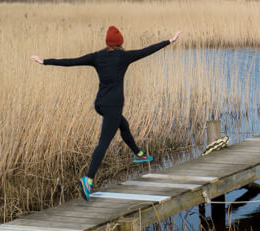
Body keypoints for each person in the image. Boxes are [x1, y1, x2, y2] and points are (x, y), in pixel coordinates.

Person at [30, 26, 181, 200]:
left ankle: (139, 154)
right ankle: (88, 179)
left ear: (107, 42)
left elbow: (71, 61)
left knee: (123, 125)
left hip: (100, 104)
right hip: (112, 106)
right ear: (120, 42)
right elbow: (147, 50)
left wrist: (44, 61)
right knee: (103, 143)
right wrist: (169, 41)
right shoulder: (124, 57)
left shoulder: (97, 57)